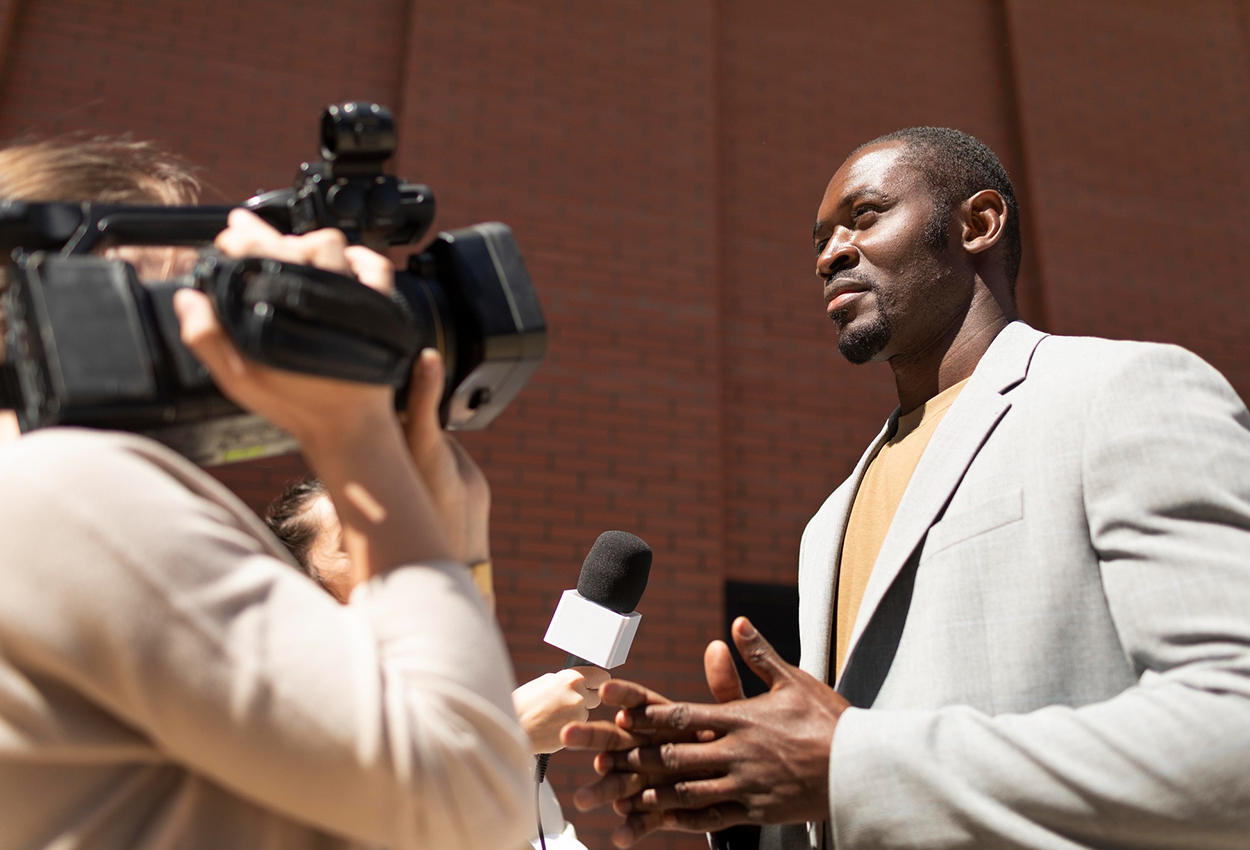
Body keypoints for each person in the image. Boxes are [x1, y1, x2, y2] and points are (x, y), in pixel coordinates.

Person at [561, 127, 1250, 850]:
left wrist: (849, 765)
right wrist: (749, 804)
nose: (829, 255)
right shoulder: (827, 524)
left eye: (863, 217)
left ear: (977, 224)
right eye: (819, 241)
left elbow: (1233, 727)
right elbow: (855, 791)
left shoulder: (1121, 392)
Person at [0, 137, 534, 850]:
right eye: (179, 288)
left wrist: (449, 545)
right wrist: (356, 433)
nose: (215, 326)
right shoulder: (63, 488)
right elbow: (471, 810)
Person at [265, 478, 610, 848]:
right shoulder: (274, 723)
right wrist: (505, 734)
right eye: (356, 540)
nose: (397, 556)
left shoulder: (450, 704)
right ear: (300, 586)